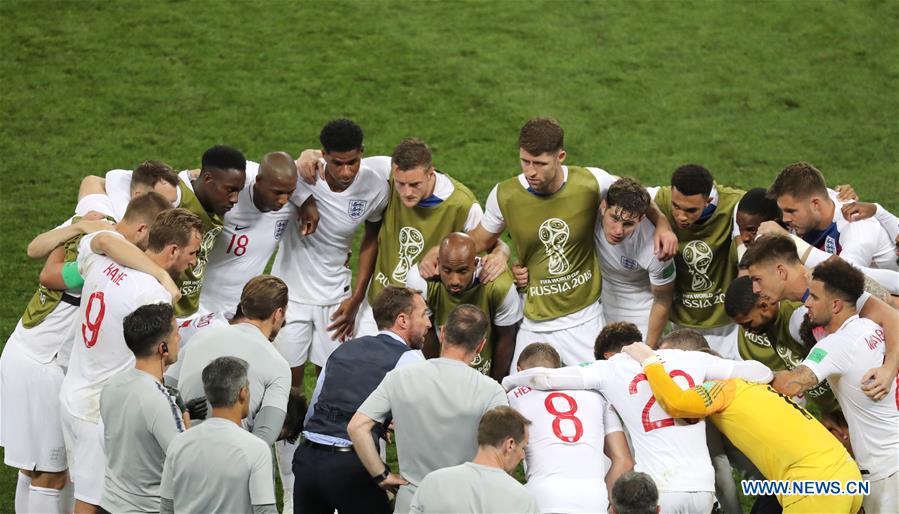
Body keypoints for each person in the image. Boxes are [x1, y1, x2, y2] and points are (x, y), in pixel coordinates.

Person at [0, 194, 165, 514]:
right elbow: (49, 272)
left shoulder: (95, 222)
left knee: (35, 469)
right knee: (53, 475)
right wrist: (161, 276)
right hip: (42, 365)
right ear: (143, 229)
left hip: (27, 353)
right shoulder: (105, 258)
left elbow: (37, 249)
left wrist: (79, 225)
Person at [468, 118, 676, 368]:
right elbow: (479, 241)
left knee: (603, 395)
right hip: (534, 319)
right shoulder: (504, 195)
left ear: (560, 156)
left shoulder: (591, 182)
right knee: (520, 395)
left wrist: (661, 221)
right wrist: (501, 250)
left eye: (540, 163)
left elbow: (633, 193)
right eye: (525, 161)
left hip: (584, 320)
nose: (530, 171)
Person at [503, 323, 773, 513]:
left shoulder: (612, 368)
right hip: (702, 489)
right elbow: (761, 372)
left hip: (658, 492)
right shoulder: (695, 362)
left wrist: (507, 382)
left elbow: (544, 377)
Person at [59, 207, 203, 513]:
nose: (194, 262)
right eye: (192, 253)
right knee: (91, 502)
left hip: (73, 392)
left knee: (77, 489)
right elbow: (161, 360)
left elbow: (102, 240)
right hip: (100, 411)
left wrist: (161, 273)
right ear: (173, 250)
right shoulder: (153, 295)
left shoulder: (104, 260)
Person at [620, 341, 864, 513]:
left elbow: (677, 403)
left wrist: (648, 359)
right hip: (844, 475)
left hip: (814, 486)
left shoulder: (722, 387)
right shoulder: (754, 387)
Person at [348, 305, 508, 513]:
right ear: (481, 346)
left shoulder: (399, 378)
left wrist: (382, 475)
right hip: (465, 503)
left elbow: (357, 427)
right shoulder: (491, 391)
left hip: (411, 502)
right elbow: (504, 453)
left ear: (442, 334)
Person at [771, 259, 897, 512]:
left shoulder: (835, 345)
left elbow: (793, 384)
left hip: (884, 468)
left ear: (836, 304)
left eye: (814, 297)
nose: (807, 303)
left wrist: (738, 372)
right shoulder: (871, 325)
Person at [292, 286, 428, 514]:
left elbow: (314, 412)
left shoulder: (342, 350)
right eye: (424, 315)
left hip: (307, 462)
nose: (429, 324)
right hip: (351, 467)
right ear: (402, 320)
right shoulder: (410, 358)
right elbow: (427, 421)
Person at [275, 119, 390, 386]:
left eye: (353, 162)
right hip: (291, 297)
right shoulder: (299, 176)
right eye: (338, 163)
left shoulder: (375, 188)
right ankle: (289, 428)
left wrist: (357, 298)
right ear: (323, 155)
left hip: (337, 300)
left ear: (362, 151)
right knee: (287, 383)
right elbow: (270, 172)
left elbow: (371, 239)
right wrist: (304, 200)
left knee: (333, 381)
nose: (347, 171)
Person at [741, 233, 899, 401]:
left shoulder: (831, 282)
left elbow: (893, 316)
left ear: (781, 272)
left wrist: (889, 369)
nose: (755, 289)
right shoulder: (803, 307)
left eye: (757, 279)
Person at [355, 137, 486, 335]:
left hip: (424, 318)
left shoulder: (463, 205)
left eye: (415, 184)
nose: (406, 192)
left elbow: (488, 243)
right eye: (400, 184)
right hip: (378, 306)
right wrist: (309, 157)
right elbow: (337, 164)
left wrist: (501, 253)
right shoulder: (385, 170)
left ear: (430, 174)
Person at [506, 343, 632, 513]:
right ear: (559, 369)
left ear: (519, 370)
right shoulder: (597, 395)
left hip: (542, 495)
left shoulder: (512, 397)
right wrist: (605, 501)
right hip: (593, 496)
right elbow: (624, 461)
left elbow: (504, 459)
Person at [168, 275, 291, 446]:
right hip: (232, 458)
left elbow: (165, 395)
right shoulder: (279, 365)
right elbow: (265, 434)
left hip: (180, 451)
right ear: (278, 314)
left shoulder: (199, 338)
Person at [649, 164, 745, 358]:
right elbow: (626, 189)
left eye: (691, 210)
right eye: (676, 207)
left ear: (708, 200)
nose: (681, 216)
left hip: (727, 325)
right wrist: (661, 222)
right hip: (681, 320)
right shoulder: (661, 198)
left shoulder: (734, 205)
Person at [160, 357, 276, 514]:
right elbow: (265, 511)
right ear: (243, 392)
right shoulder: (256, 449)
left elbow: (167, 508)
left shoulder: (178, 444)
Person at [99, 303, 185, 513]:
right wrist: (184, 413)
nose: (180, 338)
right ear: (162, 348)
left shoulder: (111, 386)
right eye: (176, 333)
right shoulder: (160, 399)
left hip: (109, 505)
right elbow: (186, 460)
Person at [406, 232, 521, 379]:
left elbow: (506, 338)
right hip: (439, 357)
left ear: (475, 264)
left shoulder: (499, 285)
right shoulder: (421, 281)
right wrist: (439, 374)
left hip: (484, 364)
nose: (454, 280)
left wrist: (495, 383)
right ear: (438, 263)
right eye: (447, 270)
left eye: (462, 271)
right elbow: (424, 332)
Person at [199, 151, 299, 319]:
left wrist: (307, 202)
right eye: (277, 192)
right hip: (201, 305)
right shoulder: (229, 199)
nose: (283, 200)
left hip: (241, 311)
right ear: (258, 182)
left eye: (290, 193)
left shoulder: (289, 208)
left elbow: (315, 163)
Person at [724, 275, 839, 412]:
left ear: (764, 306)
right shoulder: (770, 323)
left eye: (748, 324)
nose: (747, 331)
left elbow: (839, 349)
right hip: (833, 408)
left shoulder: (797, 320)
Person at [768, 161, 898, 271]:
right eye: (782, 211)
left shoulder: (856, 228)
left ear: (815, 204)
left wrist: (790, 240)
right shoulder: (820, 198)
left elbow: (845, 278)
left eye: (791, 211)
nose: (785, 219)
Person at [592, 177, 675, 347]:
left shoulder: (656, 248)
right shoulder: (591, 206)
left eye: (628, 224)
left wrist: (648, 348)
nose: (618, 231)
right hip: (599, 307)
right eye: (614, 219)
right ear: (603, 206)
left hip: (641, 314)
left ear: (641, 218)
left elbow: (663, 300)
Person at [409, 407, 539, 514]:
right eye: (523, 447)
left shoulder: (433, 482)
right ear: (510, 444)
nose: (522, 456)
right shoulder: (521, 498)